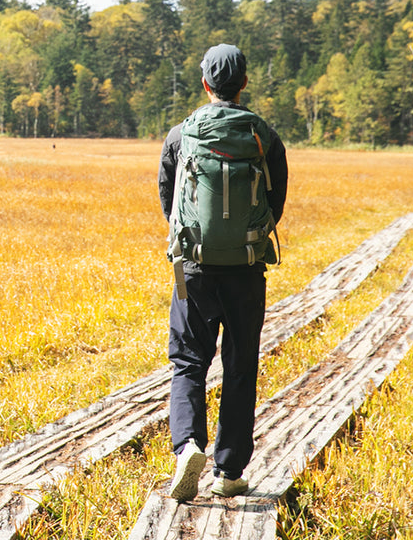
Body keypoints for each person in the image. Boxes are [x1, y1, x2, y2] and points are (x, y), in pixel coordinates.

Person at [157, 43, 288, 502]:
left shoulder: (181, 134)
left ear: (204, 84)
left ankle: (187, 446)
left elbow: (167, 199)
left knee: (189, 361)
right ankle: (229, 471)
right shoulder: (264, 136)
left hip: (193, 267)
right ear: (244, 84)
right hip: (246, 270)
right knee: (240, 365)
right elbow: (275, 205)